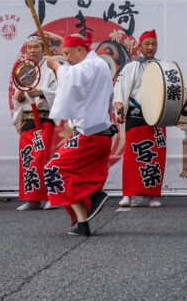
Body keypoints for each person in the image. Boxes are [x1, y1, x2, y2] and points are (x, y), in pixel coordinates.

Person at [43, 34, 117, 236]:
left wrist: (55, 65)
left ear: (81, 51)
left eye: (68, 54)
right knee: (73, 176)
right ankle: (83, 223)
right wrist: (62, 41)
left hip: (90, 135)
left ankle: (93, 195)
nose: (66, 59)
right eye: (63, 54)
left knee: (53, 169)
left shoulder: (89, 66)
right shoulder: (99, 64)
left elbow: (70, 78)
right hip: (97, 134)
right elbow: (74, 71)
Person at [113, 29, 165, 207]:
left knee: (155, 157)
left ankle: (152, 195)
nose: (150, 47)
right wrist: (120, 109)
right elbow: (120, 91)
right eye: (147, 44)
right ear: (140, 46)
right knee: (132, 157)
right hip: (136, 116)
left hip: (158, 117)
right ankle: (127, 194)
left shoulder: (163, 67)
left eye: (153, 44)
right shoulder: (130, 68)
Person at [12, 33, 63, 211]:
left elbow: (59, 92)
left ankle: (51, 197)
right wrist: (19, 98)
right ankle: (32, 199)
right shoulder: (24, 69)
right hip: (27, 120)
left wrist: (41, 93)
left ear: (43, 49)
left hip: (44, 120)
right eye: (29, 48)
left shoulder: (51, 68)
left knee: (43, 159)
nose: (32, 51)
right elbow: (18, 97)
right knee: (29, 160)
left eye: (36, 47)